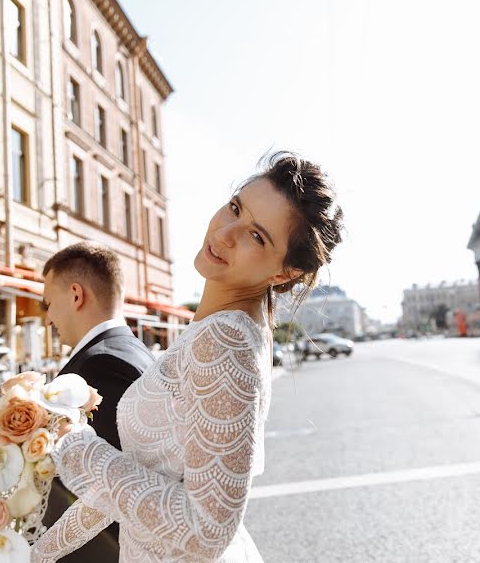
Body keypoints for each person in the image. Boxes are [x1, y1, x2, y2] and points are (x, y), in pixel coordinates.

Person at [32, 152, 344, 562]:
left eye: (257, 236)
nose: (226, 232)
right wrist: (36, 553)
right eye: (235, 207)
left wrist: (79, 448)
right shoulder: (220, 330)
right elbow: (131, 486)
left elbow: (207, 530)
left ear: (283, 273)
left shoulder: (225, 342)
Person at [39, 241, 152, 563]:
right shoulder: (133, 350)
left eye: (48, 303)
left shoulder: (98, 365)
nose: (48, 318)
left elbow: (111, 487)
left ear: (76, 294)